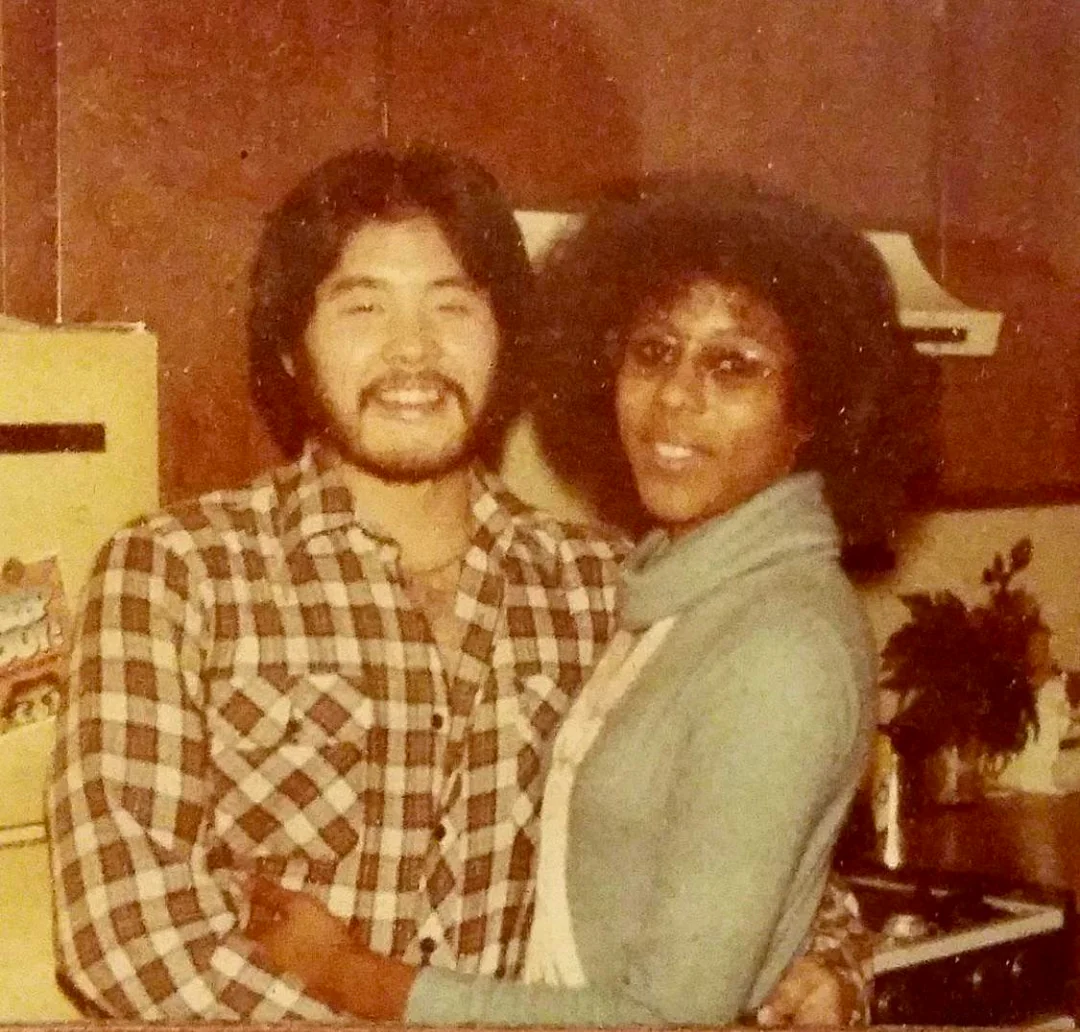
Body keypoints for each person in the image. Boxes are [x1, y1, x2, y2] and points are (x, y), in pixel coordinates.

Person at [47, 146, 875, 1023]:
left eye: (453, 305)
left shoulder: (600, 590)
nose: (413, 350)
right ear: (291, 349)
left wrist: (833, 958)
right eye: (362, 306)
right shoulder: (176, 575)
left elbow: (737, 839)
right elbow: (125, 934)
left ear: (506, 338)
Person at [244, 174, 936, 1025]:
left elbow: (670, 1016)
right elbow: (712, 861)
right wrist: (826, 950)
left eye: (734, 366)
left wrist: (360, 979)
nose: (675, 399)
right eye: (652, 352)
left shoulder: (779, 642)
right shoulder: (644, 588)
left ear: (815, 412)